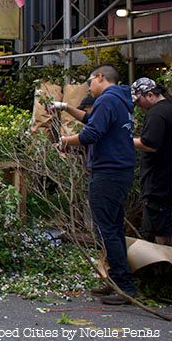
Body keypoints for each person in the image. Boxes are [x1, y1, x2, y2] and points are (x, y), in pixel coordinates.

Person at [60, 65, 136, 305]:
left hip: (108, 171)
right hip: (120, 170)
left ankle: (124, 286)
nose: (88, 87)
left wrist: (66, 141)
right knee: (112, 226)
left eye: (89, 81)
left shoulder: (106, 100)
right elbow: (90, 119)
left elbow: (92, 132)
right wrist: (65, 108)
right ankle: (115, 280)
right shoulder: (120, 100)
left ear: (101, 77)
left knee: (106, 229)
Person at [131, 77, 172, 246]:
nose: (138, 106)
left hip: (159, 180)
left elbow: (150, 144)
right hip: (167, 174)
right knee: (166, 224)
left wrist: (125, 140)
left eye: (139, 100)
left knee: (160, 227)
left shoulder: (156, 113)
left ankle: (164, 266)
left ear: (150, 95)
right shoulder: (169, 107)